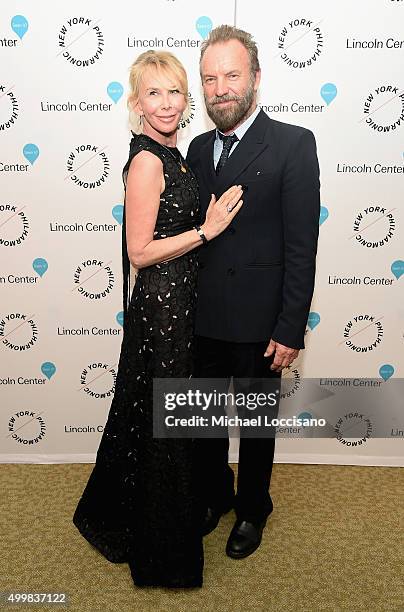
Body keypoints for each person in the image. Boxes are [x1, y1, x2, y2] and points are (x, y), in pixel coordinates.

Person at [72, 49, 243, 588]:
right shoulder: (148, 160)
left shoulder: (179, 153)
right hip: (163, 308)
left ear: (185, 99)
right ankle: (164, 552)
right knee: (166, 421)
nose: (166, 103)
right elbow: (139, 252)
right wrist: (206, 231)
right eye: (154, 93)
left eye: (174, 92)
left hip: (183, 301)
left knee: (166, 416)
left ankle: (159, 513)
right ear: (137, 102)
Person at [186, 25, 320, 559]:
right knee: (204, 422)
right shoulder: (195, 148)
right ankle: (215, 496)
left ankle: (252, 509)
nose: (219, 89)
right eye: (209, 79)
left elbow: (301, 246)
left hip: (261, 322)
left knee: (257, 428)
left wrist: (290, 327)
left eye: (231, 76)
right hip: (201, 319)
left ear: (256, 79)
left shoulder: (293, 143)